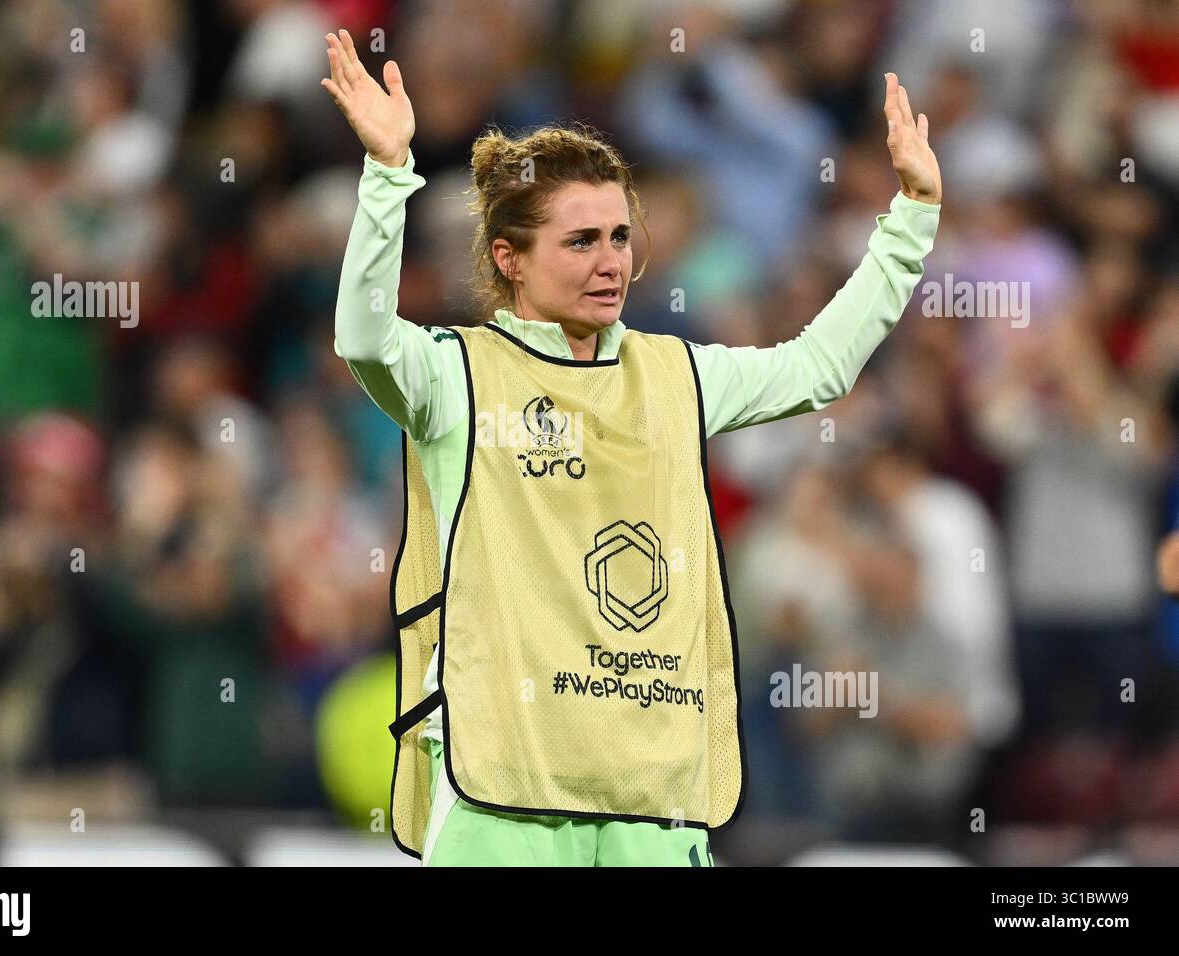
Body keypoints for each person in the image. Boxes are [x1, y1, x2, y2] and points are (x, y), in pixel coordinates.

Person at [321, 28, 942, 866]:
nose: (612, 260)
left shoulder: (674, 375)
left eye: (620, 236)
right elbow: (363, 337)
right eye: (581, 242)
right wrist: (388, 173)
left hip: (649, 794)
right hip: (501, 791)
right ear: (509, 259)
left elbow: (819, 368)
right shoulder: (457, 375)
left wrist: (910, 217)